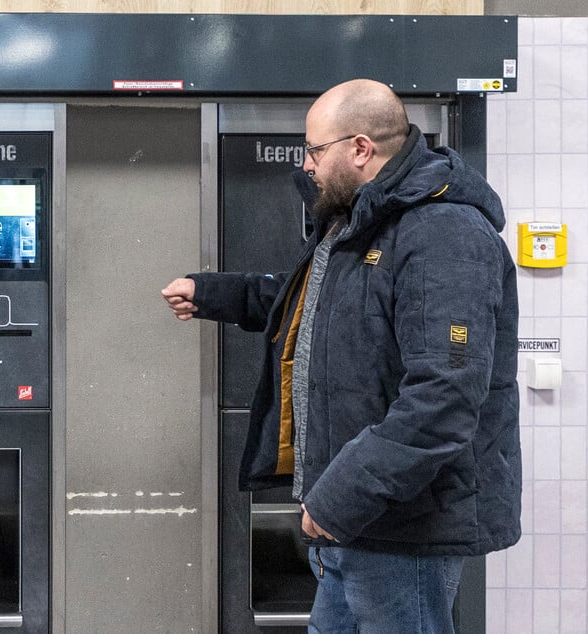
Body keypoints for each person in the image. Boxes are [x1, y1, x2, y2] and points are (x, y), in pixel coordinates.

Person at [162, 78, 520, 633]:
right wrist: (219, 294)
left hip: (402, 529)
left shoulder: (443, 233)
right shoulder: (365, 223)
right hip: (354, 525)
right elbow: (325, 307)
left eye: (314, 150)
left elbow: (443, 398)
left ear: (359, 148)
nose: (306, 166)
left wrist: (339, 500)